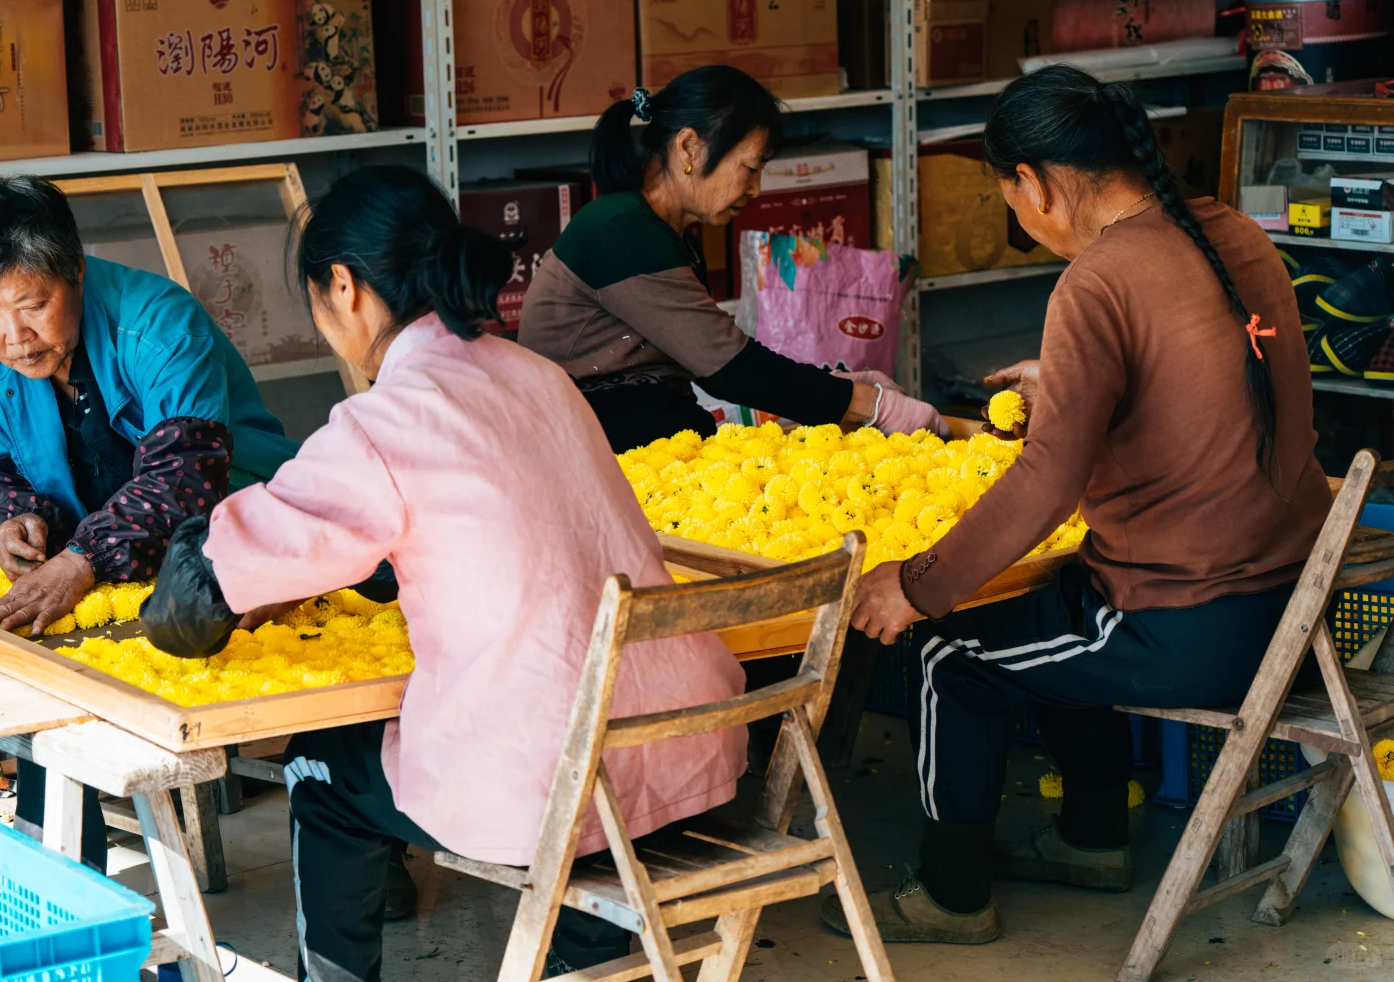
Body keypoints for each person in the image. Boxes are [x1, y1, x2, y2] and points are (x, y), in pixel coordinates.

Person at [139, 165, 748, 982]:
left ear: (345, 288)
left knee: (320, 768)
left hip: (563, 783)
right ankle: (583, 958)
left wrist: (180, 575)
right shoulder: (540, 377)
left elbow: (197, 600)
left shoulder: (386, 419)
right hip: (687, 752)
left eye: (319, 301)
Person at [822, 66, 1332, 943]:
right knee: (1043, 609)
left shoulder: (1097, 280)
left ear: (1038, 183)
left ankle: (950, 897)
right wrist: (1061, 381)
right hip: (1293, 601)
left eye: (1010, 199)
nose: (1020, 219)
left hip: (1194, 620)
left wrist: (914, 584)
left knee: (949, 651)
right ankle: (1092, 841)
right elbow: (1202, 376)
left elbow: (1048, 479)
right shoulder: (1231, 233)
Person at [0, 175, 393, 878]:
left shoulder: (158, 322)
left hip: (235, 530)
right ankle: (62, 882)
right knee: (46, 687)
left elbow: (185, 475)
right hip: (100, 557)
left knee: (320, 659)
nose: (12, 338)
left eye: (32, 305)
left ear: (76, 271)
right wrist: (11, 522)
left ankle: (364, 853)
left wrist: (83, 557)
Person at [518, 64, 946, 453]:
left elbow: (712, 359)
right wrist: (873, 408)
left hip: (653, 443)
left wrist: (836, 388)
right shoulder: (621, 232)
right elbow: (728, 366)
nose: (757, 188)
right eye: (751, 167)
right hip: (598, 454)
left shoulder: (663, 232)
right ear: (688, 148)